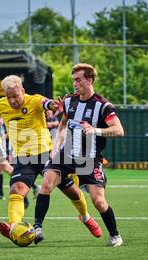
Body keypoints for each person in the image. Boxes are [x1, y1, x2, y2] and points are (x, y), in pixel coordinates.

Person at [33, 63, 124, 247]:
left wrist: (95, 130)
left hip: (89, 158)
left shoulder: (103, 105)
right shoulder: (69, 102)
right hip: (65, 154)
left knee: (98, 201)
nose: (75, 84)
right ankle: (37, 228)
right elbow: (62, 124)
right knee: (46, 183)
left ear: (89, 80)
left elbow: (119, 130)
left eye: (78, 80)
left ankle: (115, 235)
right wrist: (55, 147)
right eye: (73, 80)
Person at [0, 75, 68, 242]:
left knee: (71, 190)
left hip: (46, 153)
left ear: (22, 91)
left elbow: (48, 103)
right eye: (9, 97)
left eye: (15, 96)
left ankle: (85, 216)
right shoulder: (1, 104)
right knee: (16, 189)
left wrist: (55, 105)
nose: (12, 100)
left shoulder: (34, 100)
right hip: (23, 158)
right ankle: (14, 228)